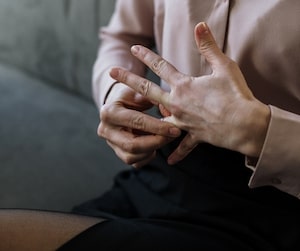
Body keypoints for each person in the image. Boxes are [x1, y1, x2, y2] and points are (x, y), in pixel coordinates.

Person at [1, 1, 299, 250]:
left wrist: (260, 131)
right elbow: (121, 37)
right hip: (164, 175)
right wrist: (115, 93)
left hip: (277, 206)